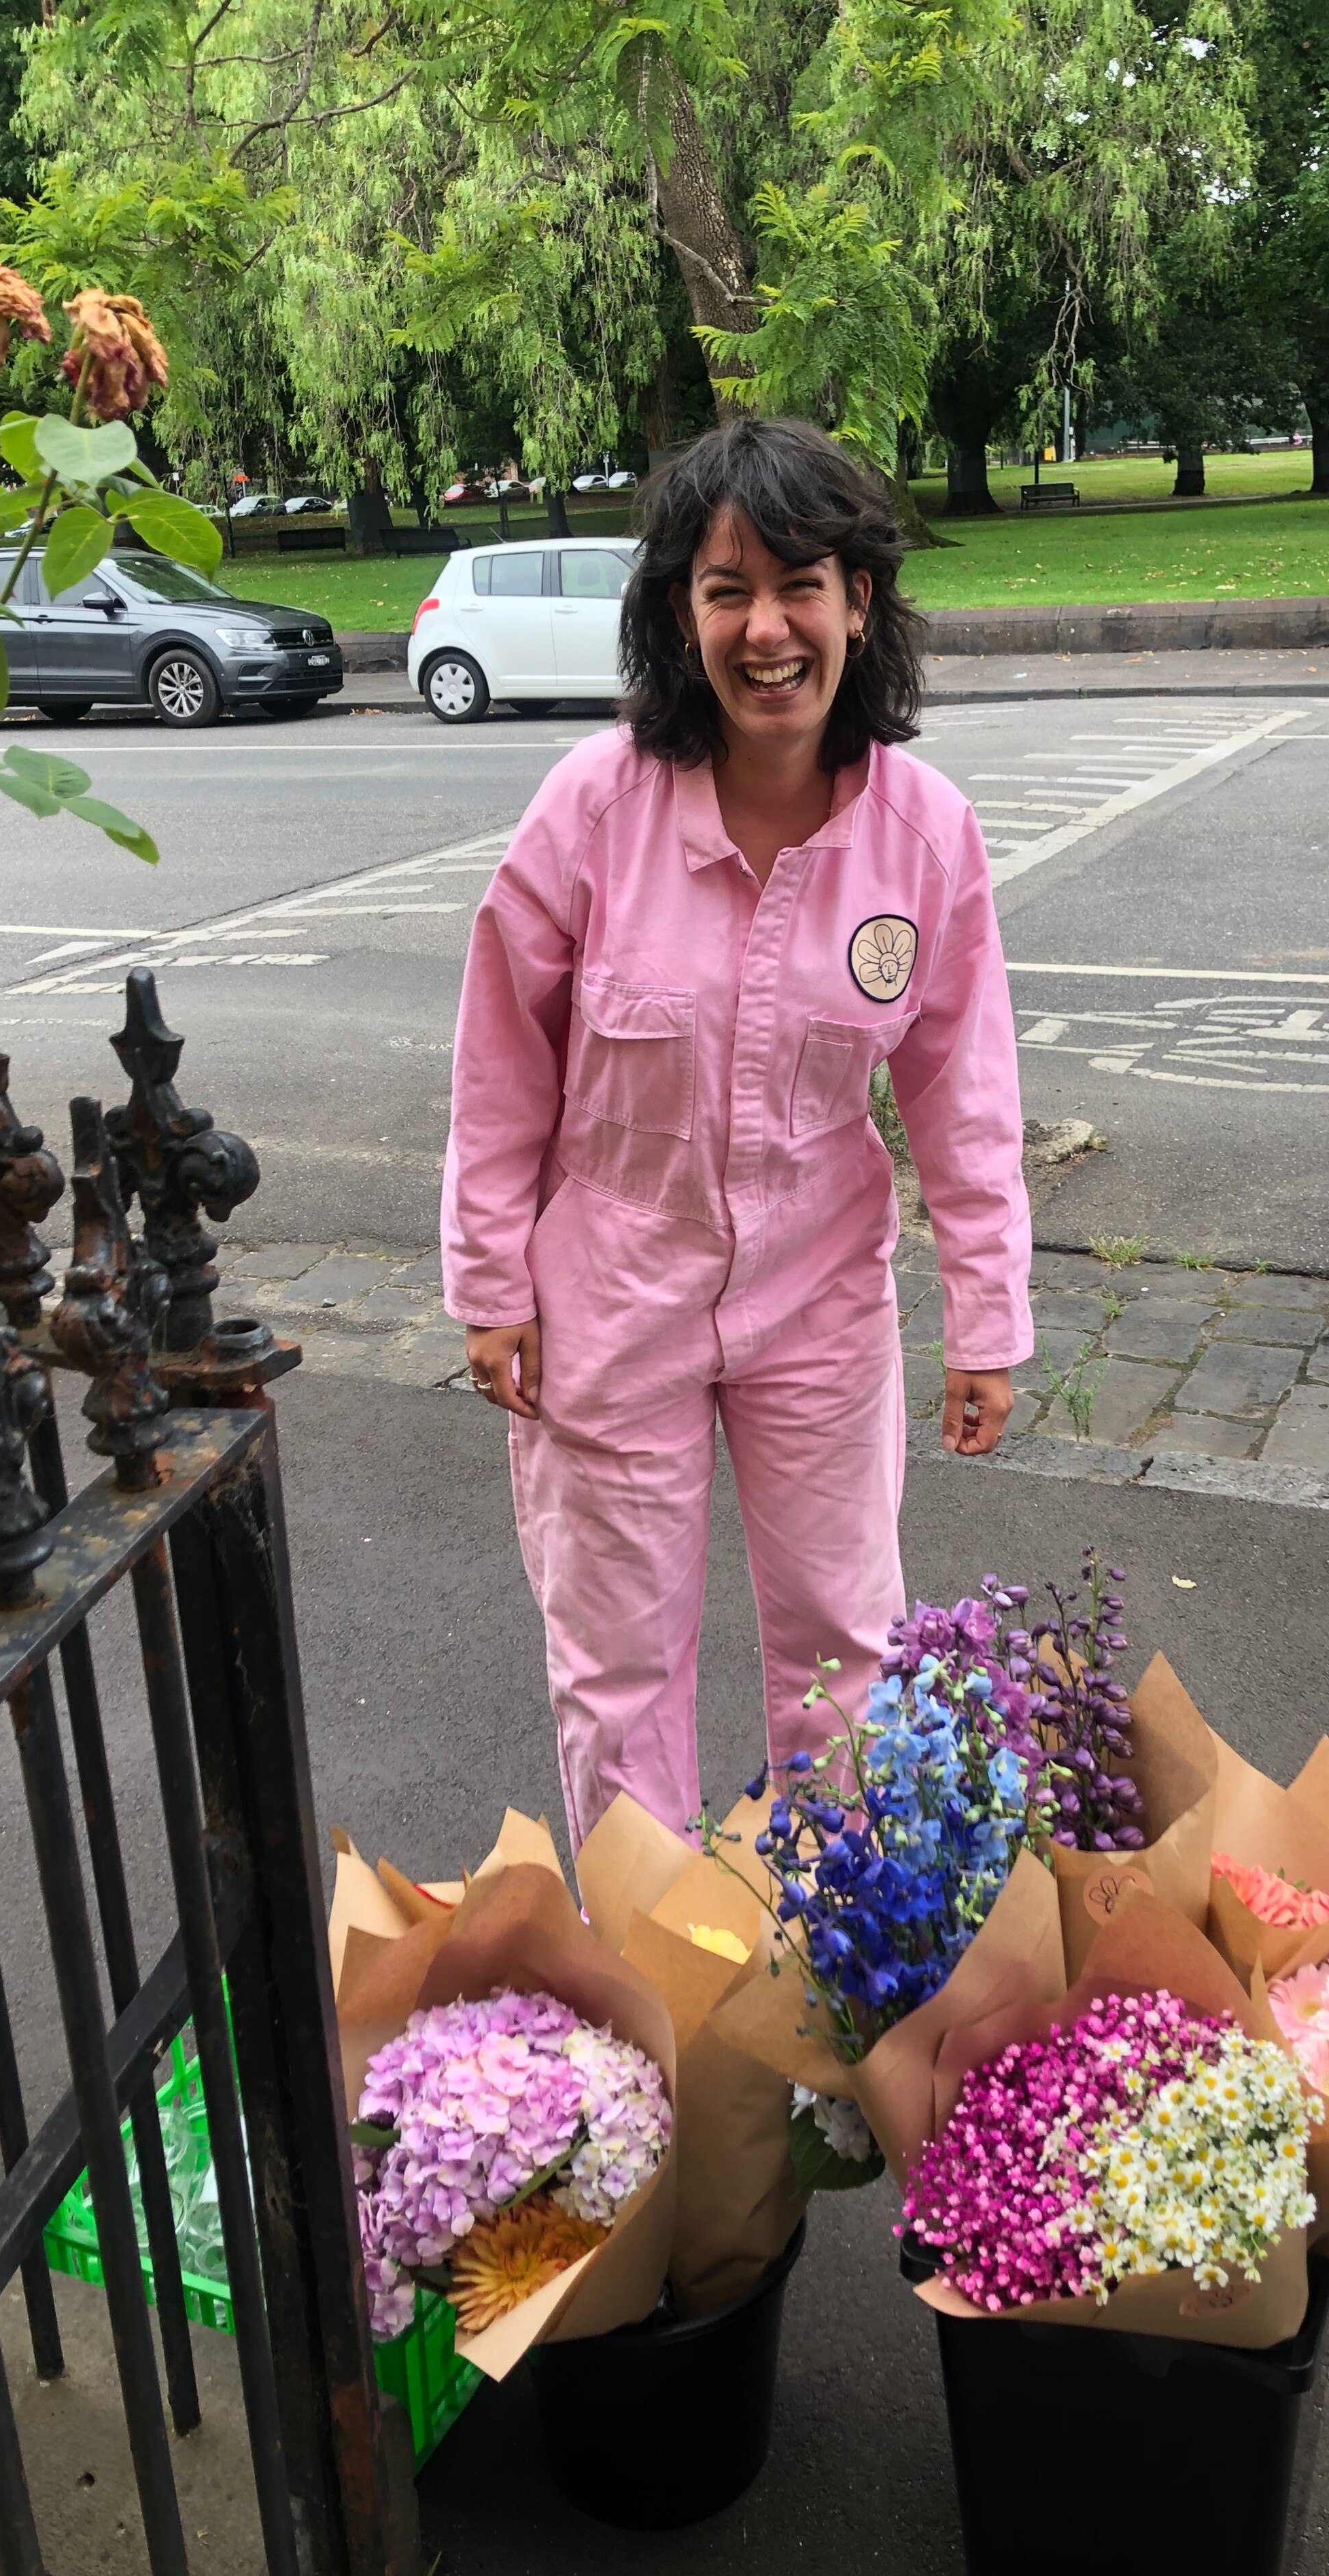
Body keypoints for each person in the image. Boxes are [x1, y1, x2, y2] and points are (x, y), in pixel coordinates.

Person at [441, 417, 1032, 1854]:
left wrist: (986, 1314)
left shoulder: (927, 835)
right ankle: (651, 1996)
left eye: (801, 585)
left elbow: (963, 1087)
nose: (768, 629)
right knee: (618, 1672)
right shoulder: (594, 806)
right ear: (679, 614)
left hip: (820, 1300)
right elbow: (502, 1061)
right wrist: (488, 1284)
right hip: (610, 1295)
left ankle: (828, 1979)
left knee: (848, 1651)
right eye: (726, 590)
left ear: (861, 602)